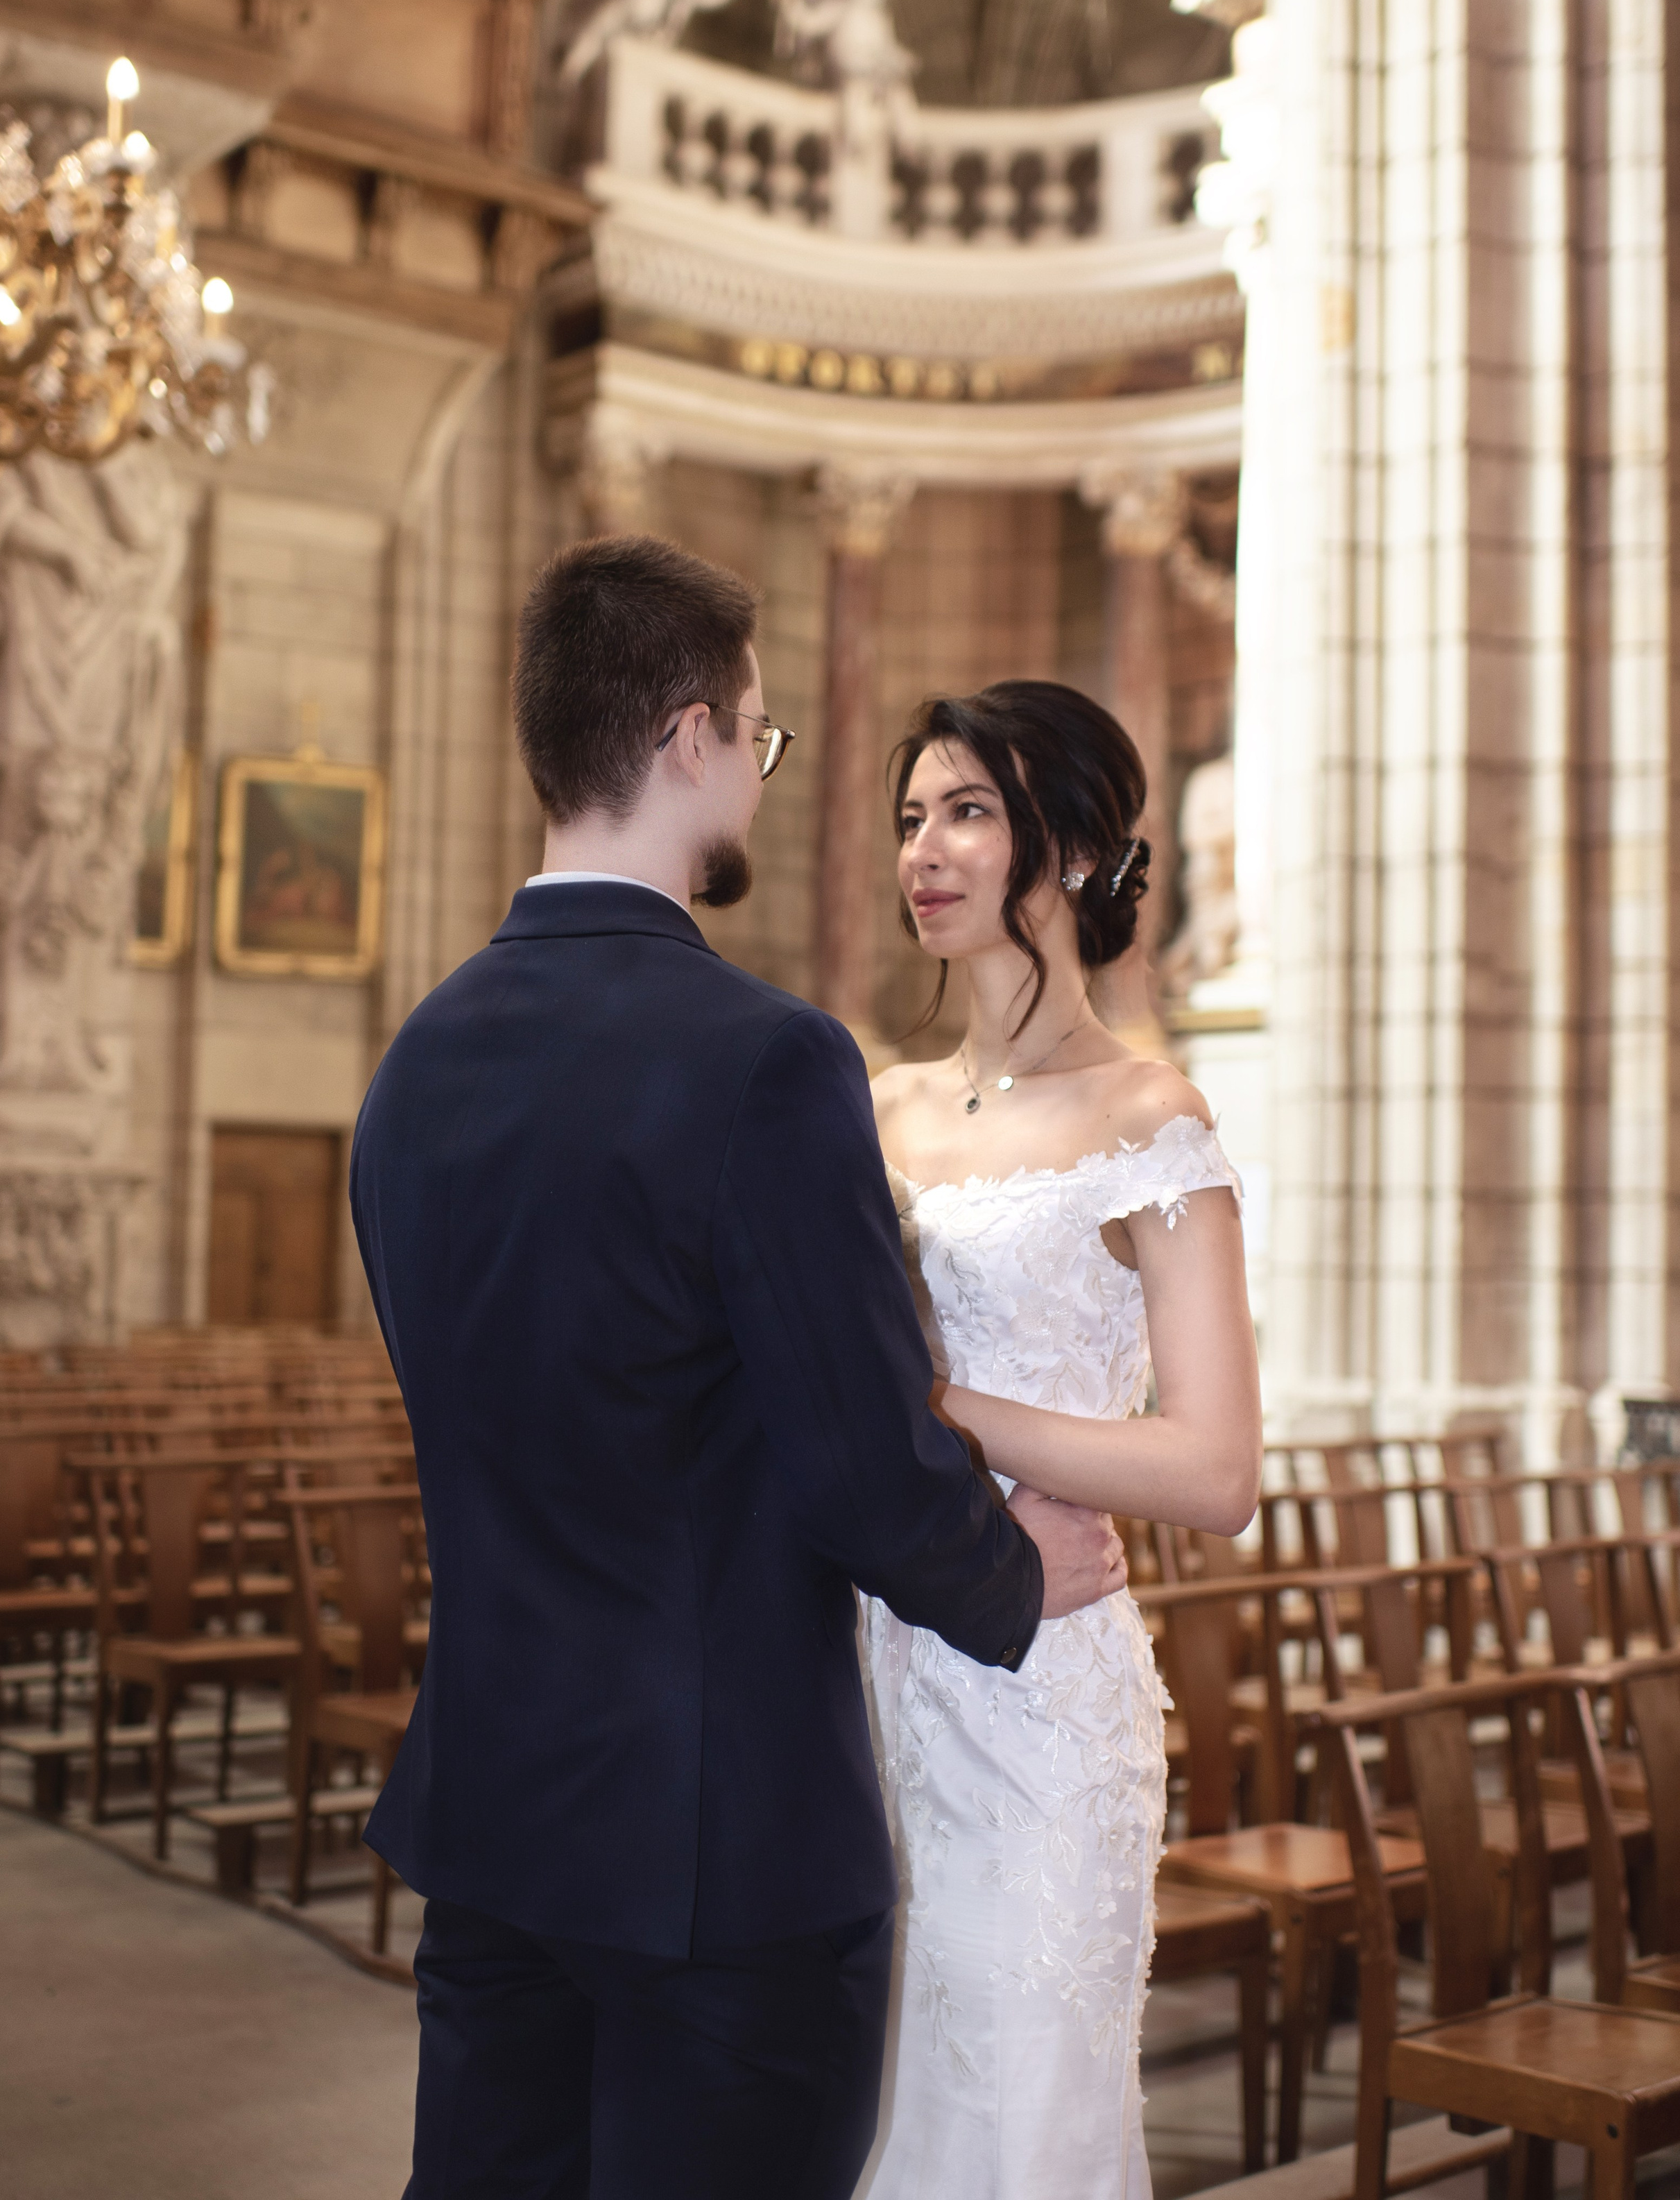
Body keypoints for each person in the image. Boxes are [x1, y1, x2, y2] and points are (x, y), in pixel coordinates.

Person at [348, 537, 1129, 2200]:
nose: (760, 782)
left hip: (494, 1810)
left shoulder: (410, 1065)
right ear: (691, 736)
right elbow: (852, 1451)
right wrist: (1010, 1567)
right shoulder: (767, 1059)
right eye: (761, 741)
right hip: (719, 1846)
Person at [859, 682, 1264, 2200]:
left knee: (1014, 2112)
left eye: (969, 809)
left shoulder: (1148, 1115)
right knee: (876, 2100)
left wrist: (942, 1402)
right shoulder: (877, 1105)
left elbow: (1214, 1469)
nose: (926, 847)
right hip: (873, 1659)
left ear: (1076, 846)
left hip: (1043, 1694)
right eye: (911, 814)